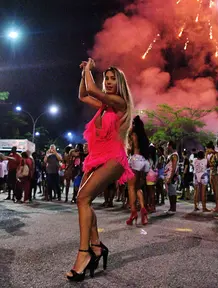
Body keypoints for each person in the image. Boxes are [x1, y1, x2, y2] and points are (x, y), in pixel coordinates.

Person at [66, 59, 134, 282]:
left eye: (113, 78)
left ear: (120, 82)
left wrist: (88, 69)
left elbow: (93, 89)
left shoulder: (119, 102)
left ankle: (84, 254)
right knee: (82, 199)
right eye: (107, 78)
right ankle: (96, 247)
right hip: (96, 158)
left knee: (83, 199)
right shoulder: (104, 106)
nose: (109, 81)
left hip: (113, 158)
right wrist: (84, 73)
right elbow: (84, 95)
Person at [126, 115, 150, 225]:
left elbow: (131, 148)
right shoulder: (144, 137)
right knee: (137, 188)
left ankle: (133, 212)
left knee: (130, 187)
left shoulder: (134, 134)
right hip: (143, 162)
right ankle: (143, 210)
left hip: (135, 160)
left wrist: (129, 134)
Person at [164, 141, 179, 213]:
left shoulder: (174, 155)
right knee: (170, 192)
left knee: (172, 192)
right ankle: (171, 208)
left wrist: (170, 177)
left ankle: (173, 208)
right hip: (169, 176)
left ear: (170, 146)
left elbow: (174, 167)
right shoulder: (172, 155)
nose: (167, 147)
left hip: (171, 176)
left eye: (167, 145)